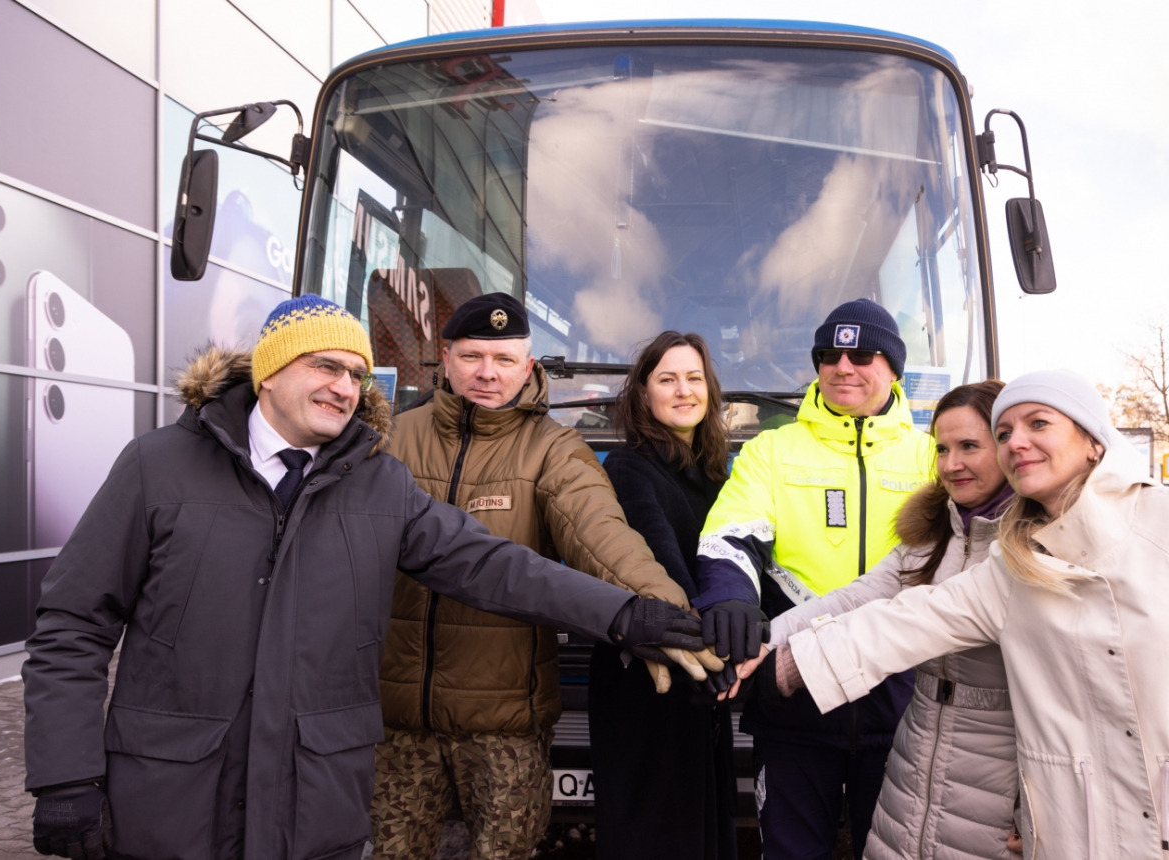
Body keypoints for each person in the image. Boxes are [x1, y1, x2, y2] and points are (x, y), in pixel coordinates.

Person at [22, 295, 707, 860]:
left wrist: (624, 615)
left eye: (356, 372)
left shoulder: (379, 482)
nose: (346, 386)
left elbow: (497, 567)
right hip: (173, 802)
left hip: (312, 809)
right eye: (326, 365)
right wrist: (64, 775)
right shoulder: (158, 467)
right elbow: (73, 625)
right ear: (270, 372)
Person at [751, 370, 1169, 860]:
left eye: (1038, 424)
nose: (1017, 443)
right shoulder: (1014, 566)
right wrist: (771, 667)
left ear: (1094, 442)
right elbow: (895, 622)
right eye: (1007, 431)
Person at [373, 293, 695, 860]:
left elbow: (604, 538)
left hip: (505, 727)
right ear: (445, 359)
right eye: (472, 357)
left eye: (504, 360)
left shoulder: (554, 449)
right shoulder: (392, 439)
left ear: (529, 366)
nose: (487, 374)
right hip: (397, 723)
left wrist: (667, 613)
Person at [694, 298, 937, 859]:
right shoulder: (771, 451)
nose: (843, 367)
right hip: (794, 698)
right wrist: (732, 601)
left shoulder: (932, 458)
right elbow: (730, 538)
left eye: (862, 354)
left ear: (894, 368)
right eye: (830, 354)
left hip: (902, 702)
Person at [765, 380, 1020, 860]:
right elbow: (858, 598)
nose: (951, 464)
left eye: (970, 446)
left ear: (1008, 445)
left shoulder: (1035, 543)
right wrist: (765, 641)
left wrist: (1035, 802)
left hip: (995, 778)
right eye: (941, 449)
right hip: (919, 758)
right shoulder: (933, 534)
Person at [589, 331, 738, 860]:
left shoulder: (713, 472)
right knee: (657, 834)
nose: (683, 390)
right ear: (643, 394)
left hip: (699, 674)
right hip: (647, 681)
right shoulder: (630, 467)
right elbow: (660, 563)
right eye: (667, 379)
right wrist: (715, 647)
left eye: (694, 378)